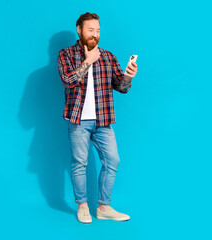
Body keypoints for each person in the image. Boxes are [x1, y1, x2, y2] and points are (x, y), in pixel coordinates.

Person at [57, 12, 138, 223]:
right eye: (90, 30)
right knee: (79, 163)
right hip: (78, 120)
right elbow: (67, 80)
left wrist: (128, 76)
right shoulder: (66, 54)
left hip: (103, 120)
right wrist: (87, 62)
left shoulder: (108, 56)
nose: (95, 34)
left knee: (113, 160)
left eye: (98, 30)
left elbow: (121, 87)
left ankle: (104, 207)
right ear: (79, 30)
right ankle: (82, 206)